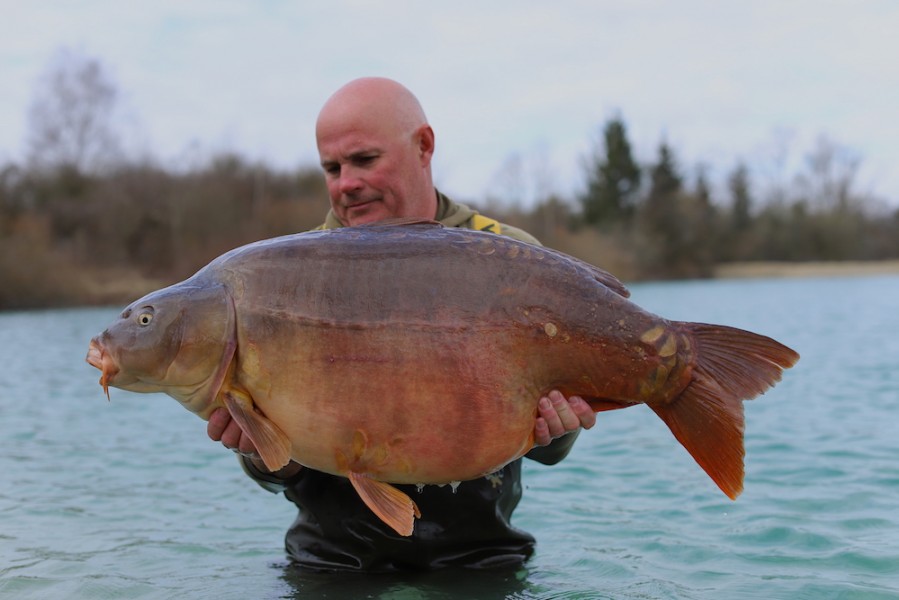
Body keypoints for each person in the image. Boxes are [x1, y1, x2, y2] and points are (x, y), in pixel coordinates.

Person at [207, 77, 596, 572]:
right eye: (332, 167)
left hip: (479, 560)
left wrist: (557, 430)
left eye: (365, 160)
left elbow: (555, 450)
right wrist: (260, 454)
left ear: (424, 147)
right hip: (332, 563)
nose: (346, 182)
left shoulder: (509, 259)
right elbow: (273, 472)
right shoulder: (284, 275)